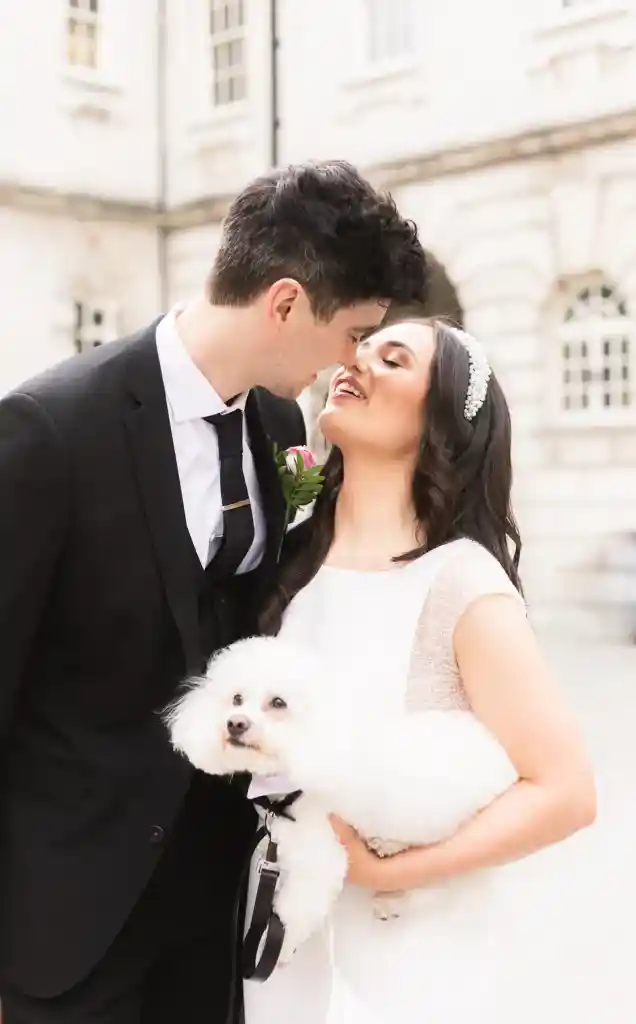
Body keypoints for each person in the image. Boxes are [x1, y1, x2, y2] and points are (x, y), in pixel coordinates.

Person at [0, 161, 429, 1024]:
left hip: (214, 907)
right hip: (67, 917)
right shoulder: (50, 429)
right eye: (352, 333)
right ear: (282, 304)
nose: (350, 362)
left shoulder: (278, 423)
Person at [244, 316, 597, 1024]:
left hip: (403, 953)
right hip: (273, 938)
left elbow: (565, 791)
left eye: (392, 359)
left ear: (438, 423)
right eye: (360, 345)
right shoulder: (283, 557)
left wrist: (390, 871)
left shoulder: (462, 586)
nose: (358, 362)